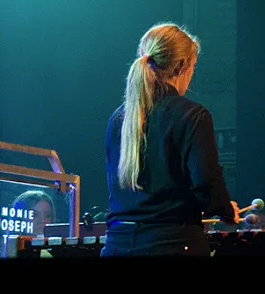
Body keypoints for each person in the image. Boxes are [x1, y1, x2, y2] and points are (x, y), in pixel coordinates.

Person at [101, 22, 239, 257]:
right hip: (172, 245)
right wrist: (226, 211)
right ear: (182, 66)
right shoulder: (193, 115)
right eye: (193, 67)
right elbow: (206, 181)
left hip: (116, 246)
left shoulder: (118, 119)